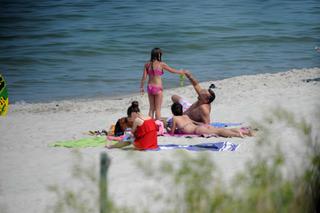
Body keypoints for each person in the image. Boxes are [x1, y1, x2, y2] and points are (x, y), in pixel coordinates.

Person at [140, 47, 186, 120]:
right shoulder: (161, 64)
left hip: (150, 87)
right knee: (158, 109)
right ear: (158, 55)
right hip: (158, 88)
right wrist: (181, 72)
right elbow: (172, 71)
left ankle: (150, 124)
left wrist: (141, 87)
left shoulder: (147, 65)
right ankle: (158, 125)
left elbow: (144, 77)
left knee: (151, 108)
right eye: (160, 54)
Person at [169, 103, 252, 138]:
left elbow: (172, 132)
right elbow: (194, 122)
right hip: (202, 126)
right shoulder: (185, 116)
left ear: (173, 112)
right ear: (181, 110)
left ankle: (237, 135)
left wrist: (167, 129)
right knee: (220, 129)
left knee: (219, 132)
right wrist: (204, 124)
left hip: (198, 130)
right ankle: (245, 132)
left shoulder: (175, 118)